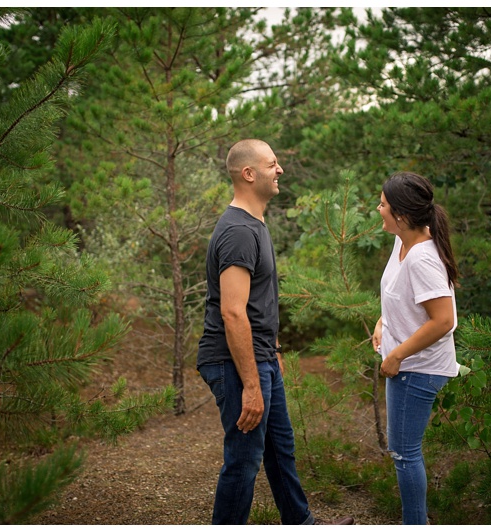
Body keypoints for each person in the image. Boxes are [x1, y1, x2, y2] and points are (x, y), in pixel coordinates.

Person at [196, 139, 352, 525]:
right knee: (244, 459)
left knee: (280, 451)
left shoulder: (255, 223)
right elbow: (232, 313)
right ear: (249, 174)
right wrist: (251, 384)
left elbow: (256, 303)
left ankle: (300, 523)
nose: (280, 169)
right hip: (234, 362)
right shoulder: (237, 231)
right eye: (272, 164)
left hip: (260, 357)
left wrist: (275, 350)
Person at [371, 172, 459, 525]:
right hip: (409, 363)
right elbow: (401, 293)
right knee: (404, 452)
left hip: (418, 370)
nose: (378, 209)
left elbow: (443, 320)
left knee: (406, 454)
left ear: (402, 216)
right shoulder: (402, 240)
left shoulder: (423, 257)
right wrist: (382, 321)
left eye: (383, 205)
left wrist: (396, 354)